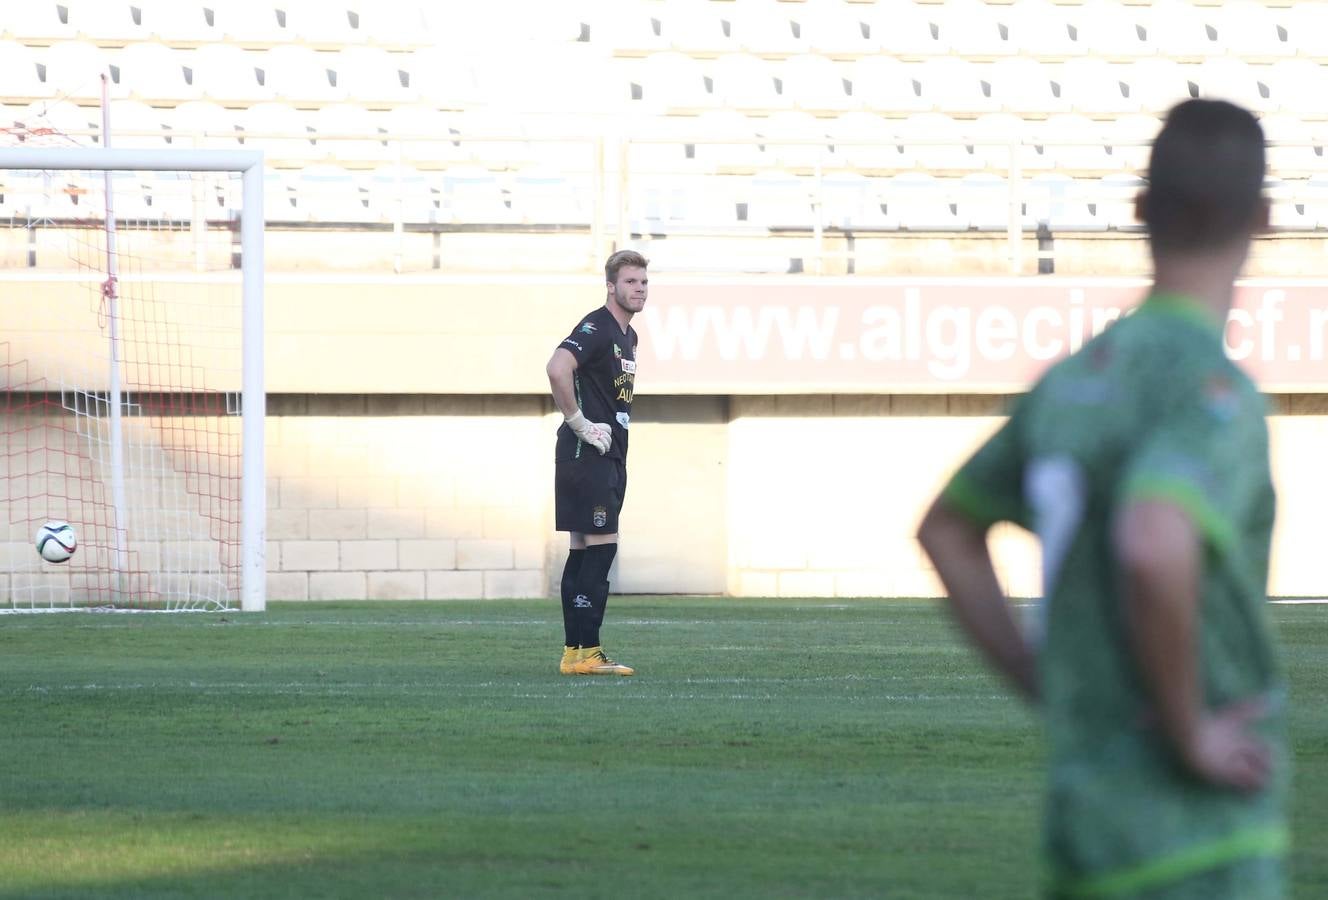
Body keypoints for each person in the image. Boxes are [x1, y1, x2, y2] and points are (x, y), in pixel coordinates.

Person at [918, 99, 1288, 898]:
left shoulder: (1071, 384)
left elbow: (947, 529)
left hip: (1085, 827)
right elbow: (1154, 539)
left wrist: (1036, 674)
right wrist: (1190, 732)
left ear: (1140, 211)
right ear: (1262, 217)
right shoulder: (1214, 390)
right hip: (1200, 840)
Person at [545, 250, 647, 676]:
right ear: (610, 286)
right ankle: (589, 652)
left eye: (643, 282)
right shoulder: (597, 327)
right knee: (601, 550)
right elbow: (557, 367)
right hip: (588, 454)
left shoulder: (629, 337)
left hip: (603, 455)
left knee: (583, 551)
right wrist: (579, 422)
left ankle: (574, 653)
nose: (638, 289)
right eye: (629, 282)